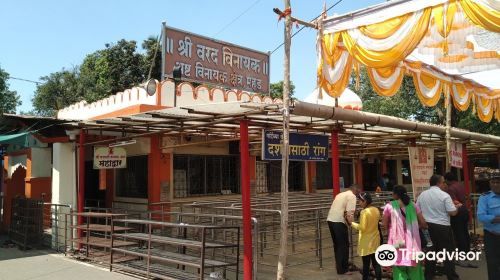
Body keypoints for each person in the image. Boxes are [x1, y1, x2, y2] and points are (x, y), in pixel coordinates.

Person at [417, 174, 459, 280]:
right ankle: (452, 276)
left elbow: (417, 210)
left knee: (430, 252)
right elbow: (452, 212)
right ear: (439, 183)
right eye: (443, 182)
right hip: (442, 227)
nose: (445, 184)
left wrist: (422, 222)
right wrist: (457, 208)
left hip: (427, 227)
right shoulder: (444, 195)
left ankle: (429, 276)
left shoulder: (422, 195)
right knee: (447, 254)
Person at [382, 185, 427, 280]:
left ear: (395, 195)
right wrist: (414, 227)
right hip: (413, 243)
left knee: (399, 270)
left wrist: (392, 227)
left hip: (398, 244)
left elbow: (384, 225)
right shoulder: (413, 205)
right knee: (415, 270)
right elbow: (423, 223)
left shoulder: (389, 206)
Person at [327, 184, 361, 275]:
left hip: (330, 220)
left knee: (337, 245)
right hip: (339, 221)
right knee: (344, 246)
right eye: (359, 192)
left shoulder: (340, 194)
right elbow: (349, 213)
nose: (359, 195)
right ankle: (343, 269)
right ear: (356, 190)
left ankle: (339, 266)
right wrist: (353, 225)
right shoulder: (352, 196)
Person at [444, 172, 476, 268]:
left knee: (459, 234)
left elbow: (454, 202)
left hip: (458, 212)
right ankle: (467, 253)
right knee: (465, 232)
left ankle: (462, 256)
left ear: (447, 180)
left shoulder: (451, 188)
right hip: (465, 211)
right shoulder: (460, 185)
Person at [350, 192, 382, 280]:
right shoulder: (376, 209)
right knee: (376, 264)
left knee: (366, 264)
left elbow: (362, 227)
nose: (359, 203)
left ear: (365, 201)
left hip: (366, 242)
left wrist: (351, 223)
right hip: (375, 239)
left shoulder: (364, 212)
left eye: (360, 201)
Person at [477, 171, 500, 280]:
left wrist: (493, 218)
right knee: (493, 264)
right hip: (492, 236)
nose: (495, 184)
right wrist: (496, 219)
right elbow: (481, 216)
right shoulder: (484, 197)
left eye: (498, 182)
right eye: (493, 182)